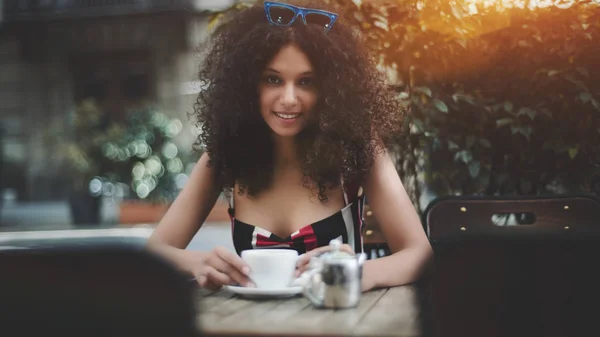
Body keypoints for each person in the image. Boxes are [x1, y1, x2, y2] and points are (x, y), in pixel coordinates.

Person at [147, 0, 432, 292]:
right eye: (273, 79)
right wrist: (198, 263)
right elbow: (155, 250)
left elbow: (419, 252)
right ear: (247, 84)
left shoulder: (357, 148)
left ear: (330, 89)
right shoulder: (226, 154)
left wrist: (352, 272)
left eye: (306, 82)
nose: (289, 98)